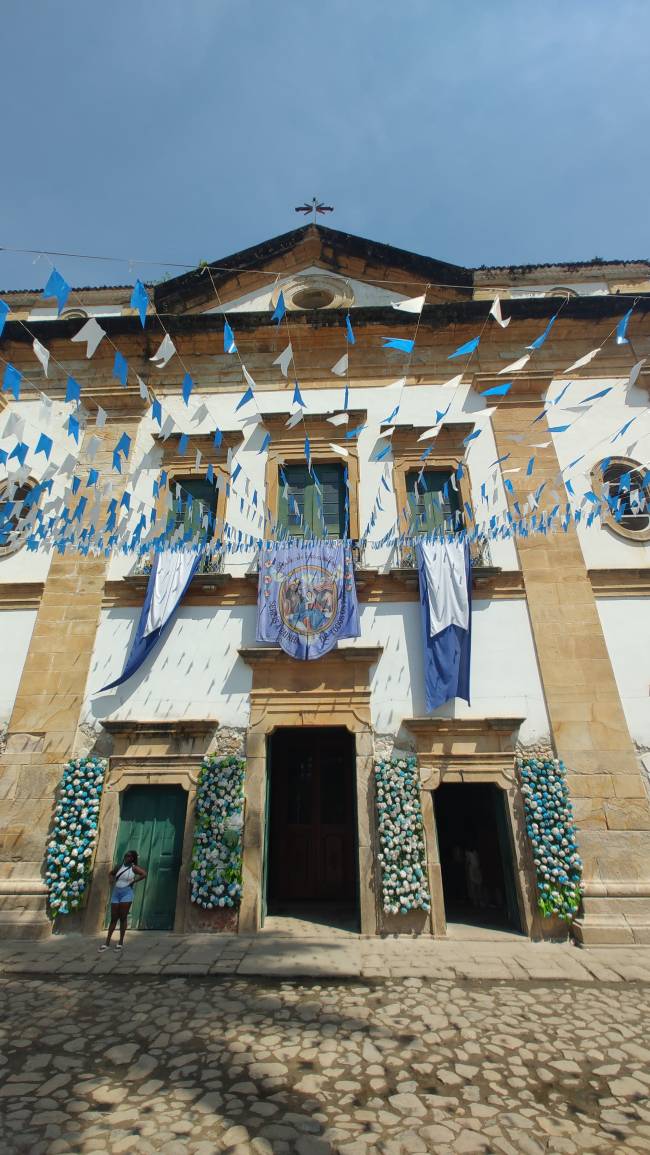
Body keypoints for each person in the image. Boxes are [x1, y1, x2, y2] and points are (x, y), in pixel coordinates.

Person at [99, 850, 147, 953]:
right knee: (113, 917)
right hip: (116, 893)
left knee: (123, 917)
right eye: (126, 856)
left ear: (133, 858)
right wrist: (111, 880)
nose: (127, 858)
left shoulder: (134, 868)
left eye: (129, 856)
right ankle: (107, 942)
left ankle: (120, 942)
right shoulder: (119, 867)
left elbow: (144, 874)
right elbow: (111, 873)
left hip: (127, 893)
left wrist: (134, 881)